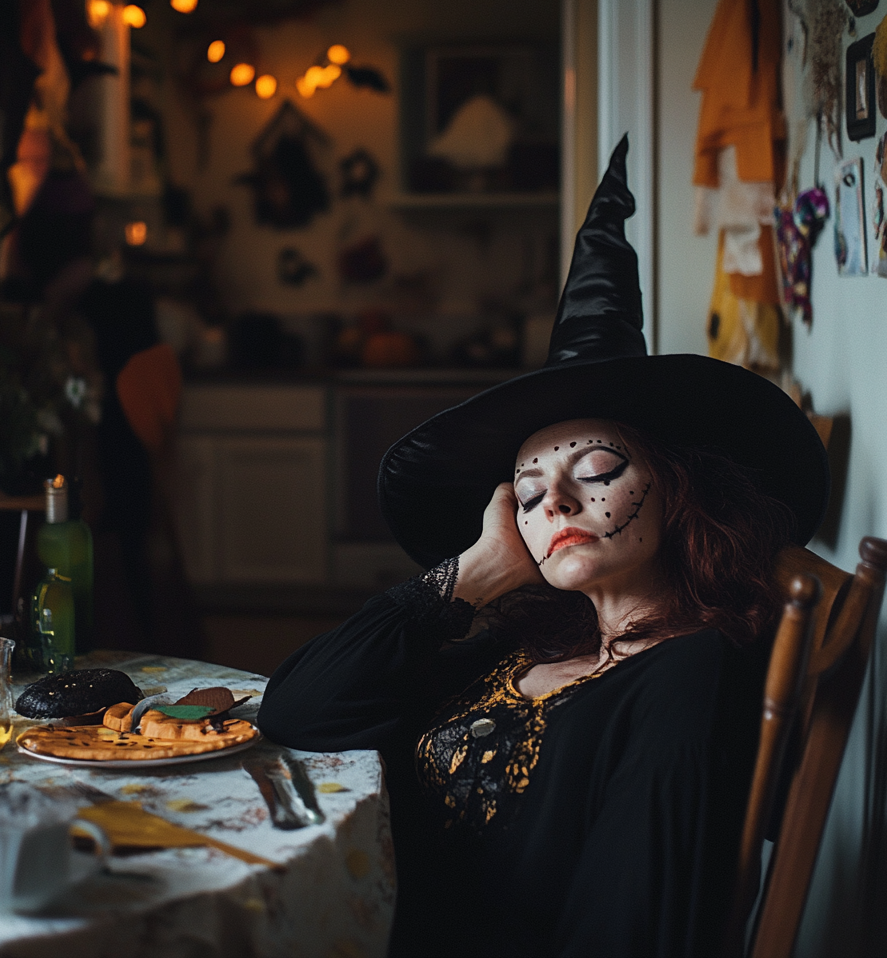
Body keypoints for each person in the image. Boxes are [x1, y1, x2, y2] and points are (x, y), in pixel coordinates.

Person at [257, 138, 830, 958]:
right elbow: (299, 711)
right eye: (526, 492)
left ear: (678, 487)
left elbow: (627, 932)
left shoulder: (685, 680)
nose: (554, 500)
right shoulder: (540, 638)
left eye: (596, 469)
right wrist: (479, 571)